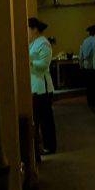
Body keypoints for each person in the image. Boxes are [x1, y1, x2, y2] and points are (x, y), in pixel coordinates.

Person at [28, 17, 57, 155]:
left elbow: (44, 65)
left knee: (46, 119)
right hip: (36, 87)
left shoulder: (44, 43)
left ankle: (50, 146)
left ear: (34, 29)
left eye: (28, 29)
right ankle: (43, 145)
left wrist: (30, 63)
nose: (27, 32)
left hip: (43, 88)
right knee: (40, 118)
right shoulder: (33, 43)